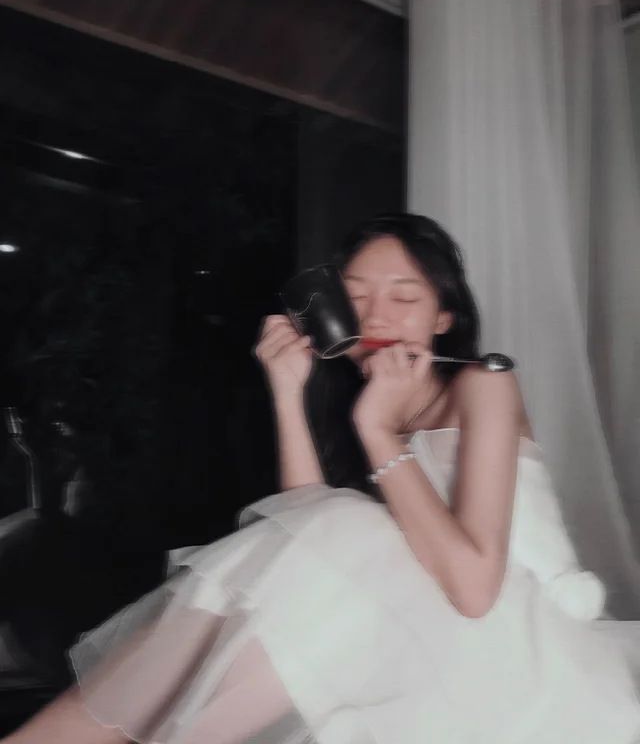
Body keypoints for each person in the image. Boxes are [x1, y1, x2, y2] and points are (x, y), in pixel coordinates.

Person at [4, 213, 640, 744]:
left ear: (444, 317)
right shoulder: (378, 409)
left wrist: (377, 431)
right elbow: (302, 532)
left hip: (508, 643)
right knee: (305, 559)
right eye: (356, 296)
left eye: (405, 297)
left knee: (349, 534)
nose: (377, 315)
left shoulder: (483, 385)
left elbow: (475, 589)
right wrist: (287, 391)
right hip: (411, 630)